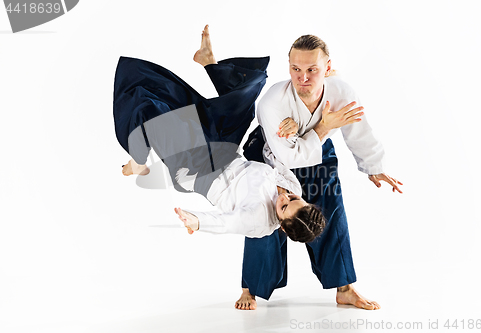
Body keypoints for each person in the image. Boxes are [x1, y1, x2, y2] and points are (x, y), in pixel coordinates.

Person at [113, 26, 330, 240]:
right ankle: (208, 60)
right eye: (294, 199)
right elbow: (274, 157)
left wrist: (197, 221)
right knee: (244, 98)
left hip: (196, 167)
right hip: (224, 149)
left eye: (284, 207)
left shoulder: (259, 221)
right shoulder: (293, 188)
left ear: (282, 226)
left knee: (152, 110)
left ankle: (138, 161)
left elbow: (227, 223)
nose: (285, 197)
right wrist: (287, 131)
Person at [235, 35, 403, 310]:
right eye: (296, 69)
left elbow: (357, 128)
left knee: (332, 212)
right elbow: (289, 155)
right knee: (265, 220)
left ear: (327, 67)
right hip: (272, 159)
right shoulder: (273, 102)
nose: (303, 78)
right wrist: (324, 127)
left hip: (318, 154)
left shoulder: (341, 92)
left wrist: (374, 167)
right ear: (288, 67)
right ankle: (251, 288)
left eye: (312, 69)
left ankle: (345, 288)